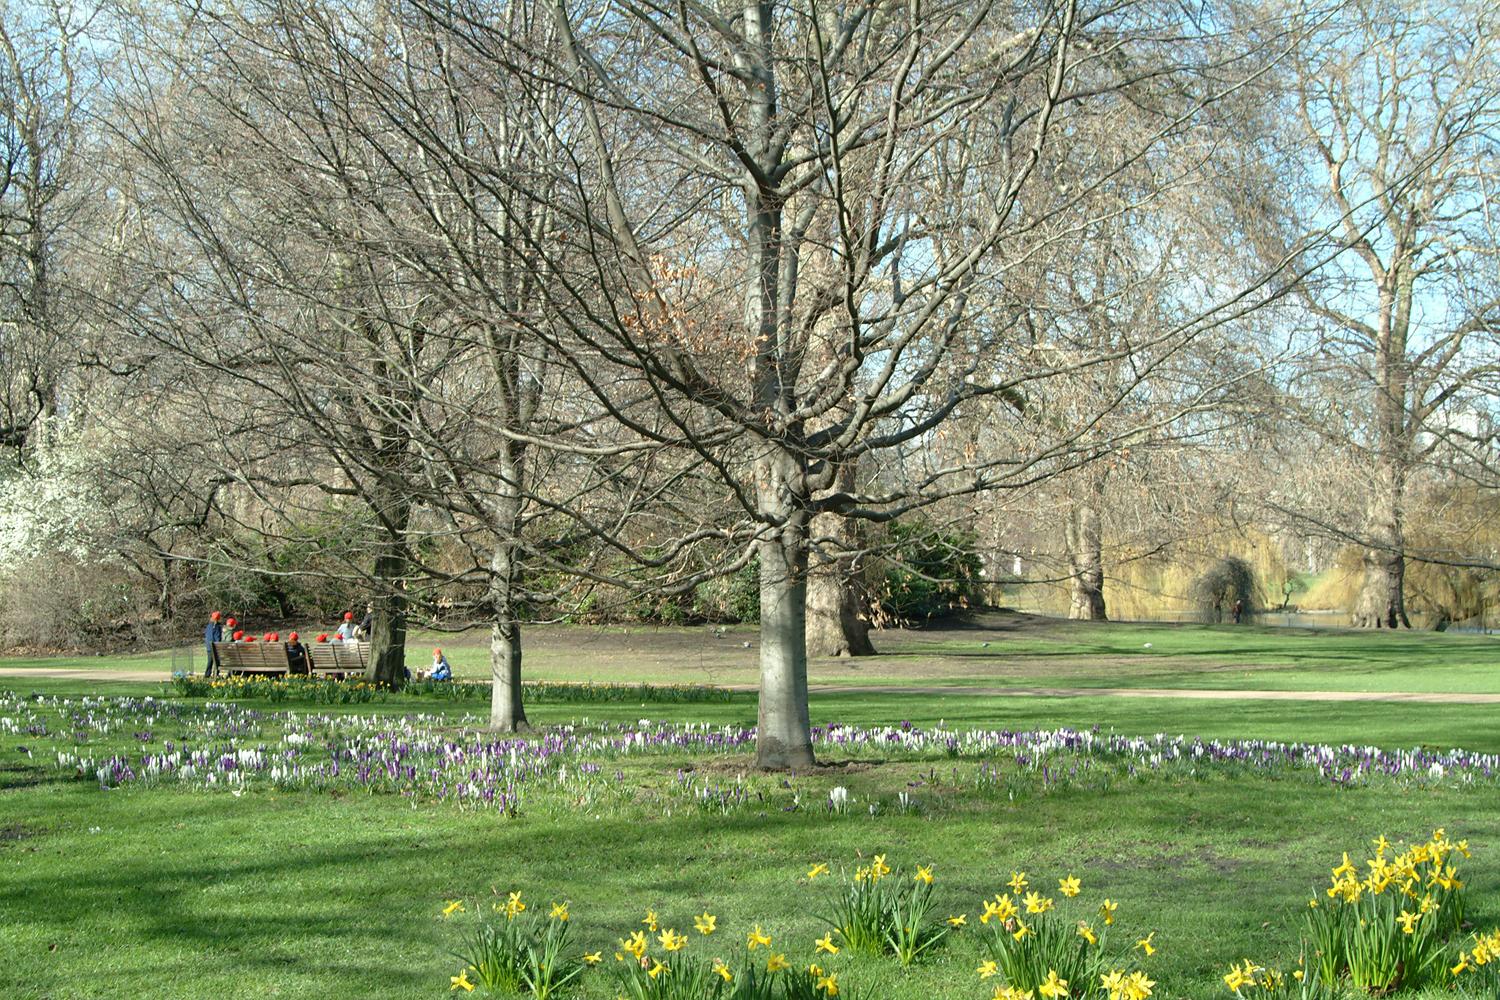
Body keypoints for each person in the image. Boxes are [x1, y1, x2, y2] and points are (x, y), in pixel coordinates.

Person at [203, 611, 223, 677]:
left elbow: (207, 636)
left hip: (209, 647)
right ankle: (215, 674)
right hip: (215, 647)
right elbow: (217, 638)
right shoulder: (216, 627)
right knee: (217, 661)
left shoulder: (208, 626)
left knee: (210, 661)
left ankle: (207, 674)